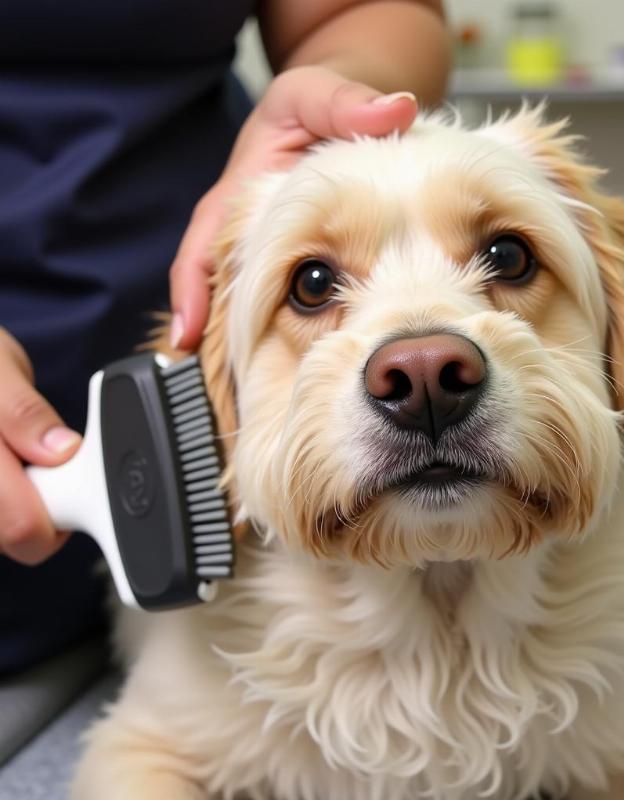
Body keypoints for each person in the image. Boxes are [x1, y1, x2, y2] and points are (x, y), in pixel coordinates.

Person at [0, 0, 450, 675]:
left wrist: (339, 86)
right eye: (317, 283)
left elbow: (365, 11)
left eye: (504, 263)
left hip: (195, 536)